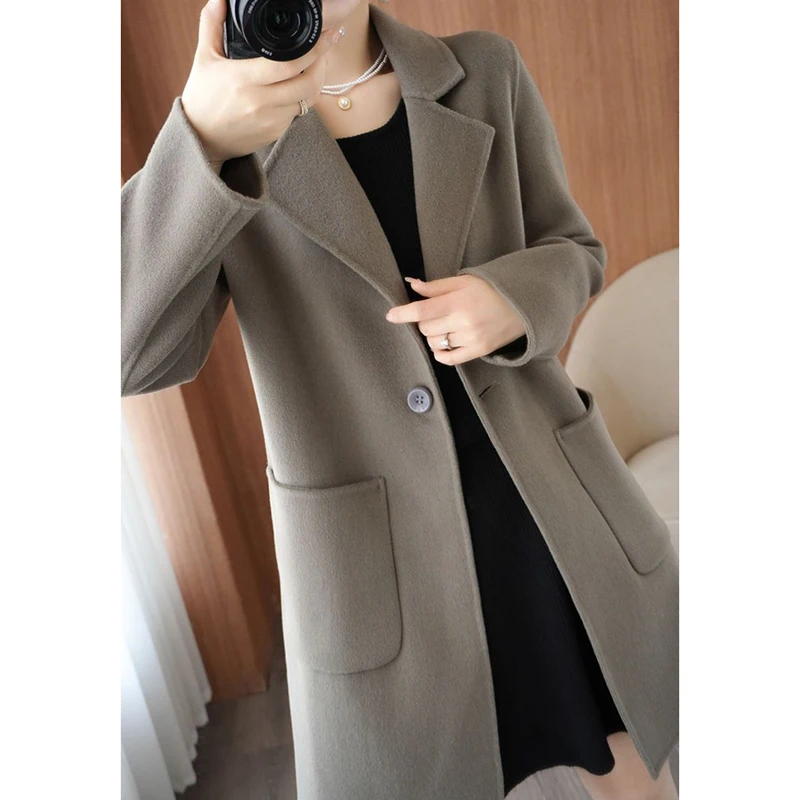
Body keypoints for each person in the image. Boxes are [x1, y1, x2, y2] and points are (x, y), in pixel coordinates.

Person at [122, 1, 679, 798]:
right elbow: (126, 353)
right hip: (379, 555)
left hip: (543, 503)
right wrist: (201, 141)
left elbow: (575, 249)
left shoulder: (484, 70)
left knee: (625, 748)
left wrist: (513, 298)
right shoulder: (224, 132)